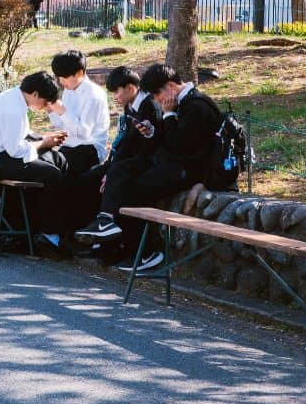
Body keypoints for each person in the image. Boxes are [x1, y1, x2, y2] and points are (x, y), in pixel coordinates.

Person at [76, 64, 219, 272]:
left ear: (170, 86)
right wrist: (151, 131)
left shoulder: (196, 105)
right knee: (124, 180)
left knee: (133, 188)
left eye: (157, 93)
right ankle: (124, 245)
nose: (157, 99)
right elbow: (170, 141)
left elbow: (180, 146)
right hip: (174, 165)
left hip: (189, 172)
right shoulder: (182, 103)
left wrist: (168, 115)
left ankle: (145, 253)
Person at [0, 71, 69, 254]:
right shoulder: (13, 108)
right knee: (53, 174)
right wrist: (44, 143)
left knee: (57, 159)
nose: (45, 106)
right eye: (45, 102)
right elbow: (15, 150)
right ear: (36, 94)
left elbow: (21, 136)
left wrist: (43, 141)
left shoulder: (13, 97)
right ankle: (49, 234)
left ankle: (37, 229)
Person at [73, 66, 164, 257]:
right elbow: (126, 143)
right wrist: (109, 168)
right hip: (124, 160)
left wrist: (113, 171)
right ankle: (93, 235)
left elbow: (148, 147)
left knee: (114, 176)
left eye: (117, 91)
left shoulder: (150, 106)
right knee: (86, 180)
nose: (115, 96)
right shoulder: (130, 106)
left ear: (130, 88)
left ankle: (106, 222)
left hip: (144, 162)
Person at [48, 50, 111, 177]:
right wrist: (51, 110)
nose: (61, 81)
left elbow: (84, 133)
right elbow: (62, 126)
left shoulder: (94, 95)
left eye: (64, 77)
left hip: (89, 148)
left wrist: (62, 110)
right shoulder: (69, 91)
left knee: (58, 174)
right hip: (69, 146)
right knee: (45, 164)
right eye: (59, 77)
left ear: (79, 73)